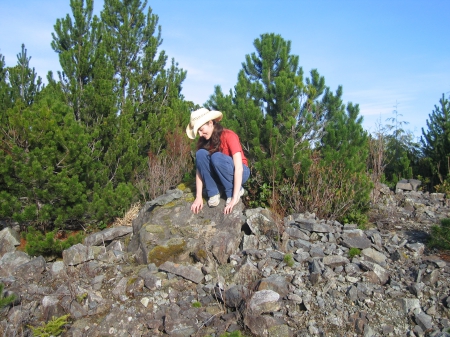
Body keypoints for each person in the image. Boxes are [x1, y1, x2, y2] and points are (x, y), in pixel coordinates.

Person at [186, 108, 250, 215]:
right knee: (200, 154)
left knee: (216, 157)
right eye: (198, 131)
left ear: (210, 123)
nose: (200, 134)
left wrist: (234, 197)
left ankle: (233, 191)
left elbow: (239, 168)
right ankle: (214, 192)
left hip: (240, 172)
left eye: (201, 129)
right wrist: (198, 197)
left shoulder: (229, 135)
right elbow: (200, 169)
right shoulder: (204, 141)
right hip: (220, 175)